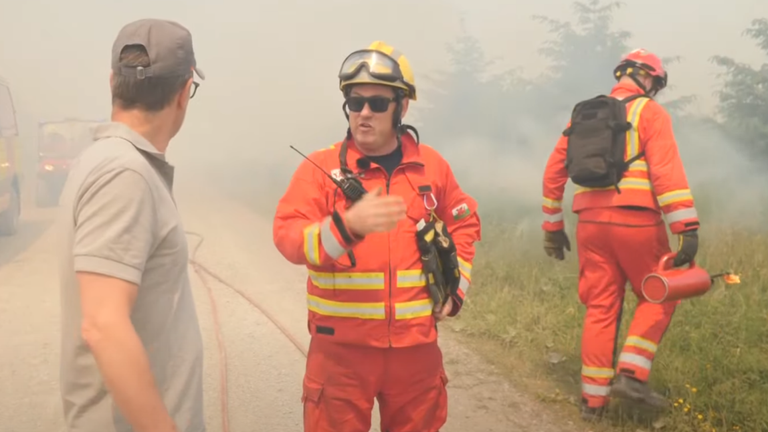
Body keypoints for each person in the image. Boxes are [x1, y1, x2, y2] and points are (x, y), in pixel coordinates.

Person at [273, 41, 482, 432]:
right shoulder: (320, 170)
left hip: (416, 352)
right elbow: (287, 236)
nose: (364, 112)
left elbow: (465, 223)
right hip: (339, 354)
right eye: (355, 102)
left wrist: (456, 290)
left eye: (377, 102)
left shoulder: (432, 168)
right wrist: (345, 227)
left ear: (401, 108)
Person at [57, 18, 206, 432]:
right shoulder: (125, 174)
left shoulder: (107, 161)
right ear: (184, 92)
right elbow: (103, 325)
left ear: (112, 82)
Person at [541, 48, 700, 420]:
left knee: (600, 308)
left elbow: (553, 174)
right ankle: (631, 373)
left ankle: (592, 405)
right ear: (648, 79)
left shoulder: (584, 114)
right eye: (655, 84)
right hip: (636, 221)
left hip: (590, 226)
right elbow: (666, 172)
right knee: (662, 289)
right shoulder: (650, 112)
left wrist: (552, 227)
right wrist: (686, 228)